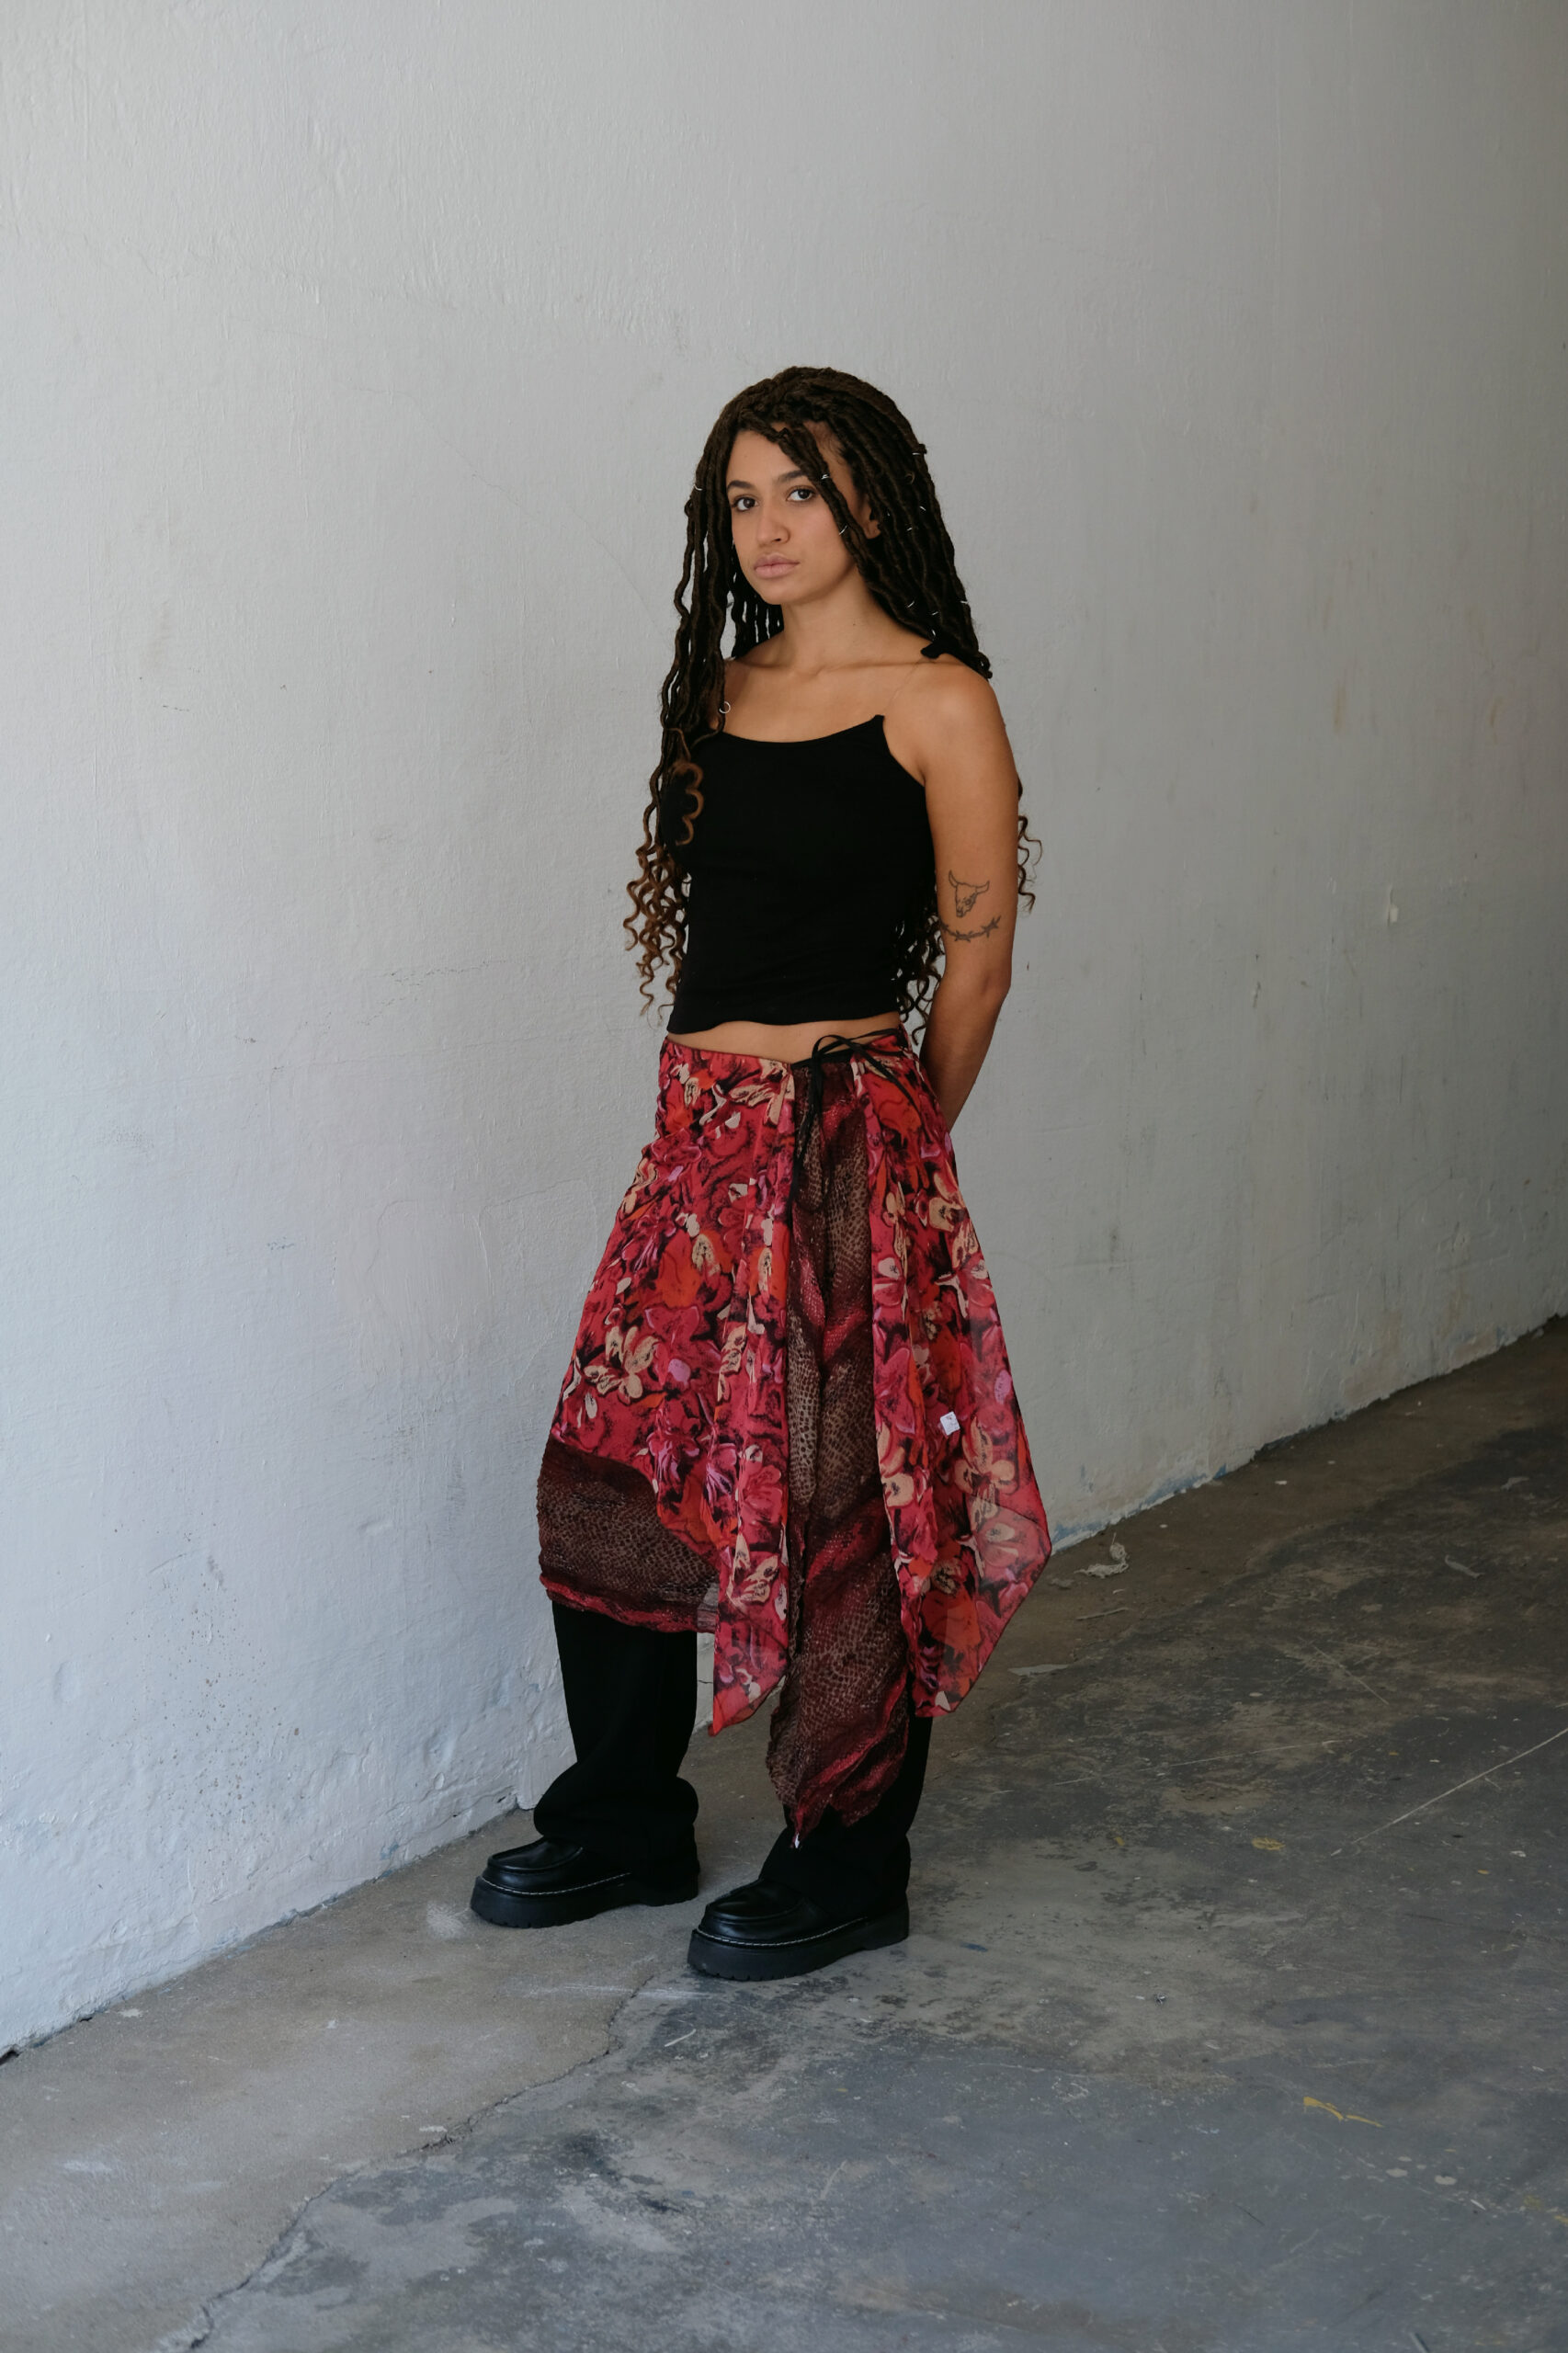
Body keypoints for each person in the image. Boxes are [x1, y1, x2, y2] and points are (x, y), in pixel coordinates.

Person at [471, 366, 1053, 1980]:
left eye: (798, 488)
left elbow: (978, 967)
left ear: (871, 497)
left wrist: (896, 1157)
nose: (767, 526)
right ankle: (623, 1819)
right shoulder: (715, 694)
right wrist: (709, 1134)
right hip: (698, 1139)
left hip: (847, 1131)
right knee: (610, 1470)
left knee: (842, 1500)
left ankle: (850, 1859)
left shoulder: (940, 702)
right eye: (740, 500)